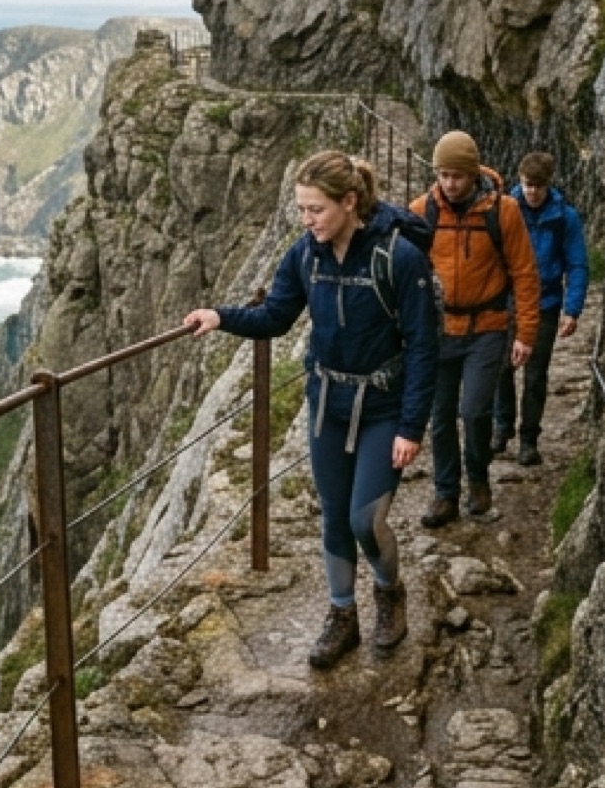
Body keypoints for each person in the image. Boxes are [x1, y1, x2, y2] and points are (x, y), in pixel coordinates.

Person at [184, 150, 437, 671]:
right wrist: (221, 316)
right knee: (334, 519)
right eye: (301, 210)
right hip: (328, 404)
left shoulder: (399, 257)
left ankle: (389, 592)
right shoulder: (305, 255)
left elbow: (423, 345)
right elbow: (276, 315)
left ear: (349, 202)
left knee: (367, 520)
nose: (306, 220)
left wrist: (412, 426)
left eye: (315, 209)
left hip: (384, 406)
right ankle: (342, 615)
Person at [409, 130, 540, 527]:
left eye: (458, 176)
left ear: (473, 173)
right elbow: (407, 275)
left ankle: (479, 481)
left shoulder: (504, 211)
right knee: (441, 413)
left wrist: (526, 334)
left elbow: (524, 273)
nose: (450, 183)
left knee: (475, 409)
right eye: (444, 175)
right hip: (439, 329)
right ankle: (446, 493)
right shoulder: (421, 212)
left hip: (488, 326)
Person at [492, 151, 589, 466]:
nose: (532, 191)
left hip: (545, 302)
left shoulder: (565, 218)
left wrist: (572, 309)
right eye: (527, 184)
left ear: (548, 184)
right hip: (507, 299)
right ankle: (502, 426)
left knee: (535, 374)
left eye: (538, 185)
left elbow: (576, 264)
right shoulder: (505, 209)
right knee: (501, 367)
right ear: (519, 181)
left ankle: (529, 438)